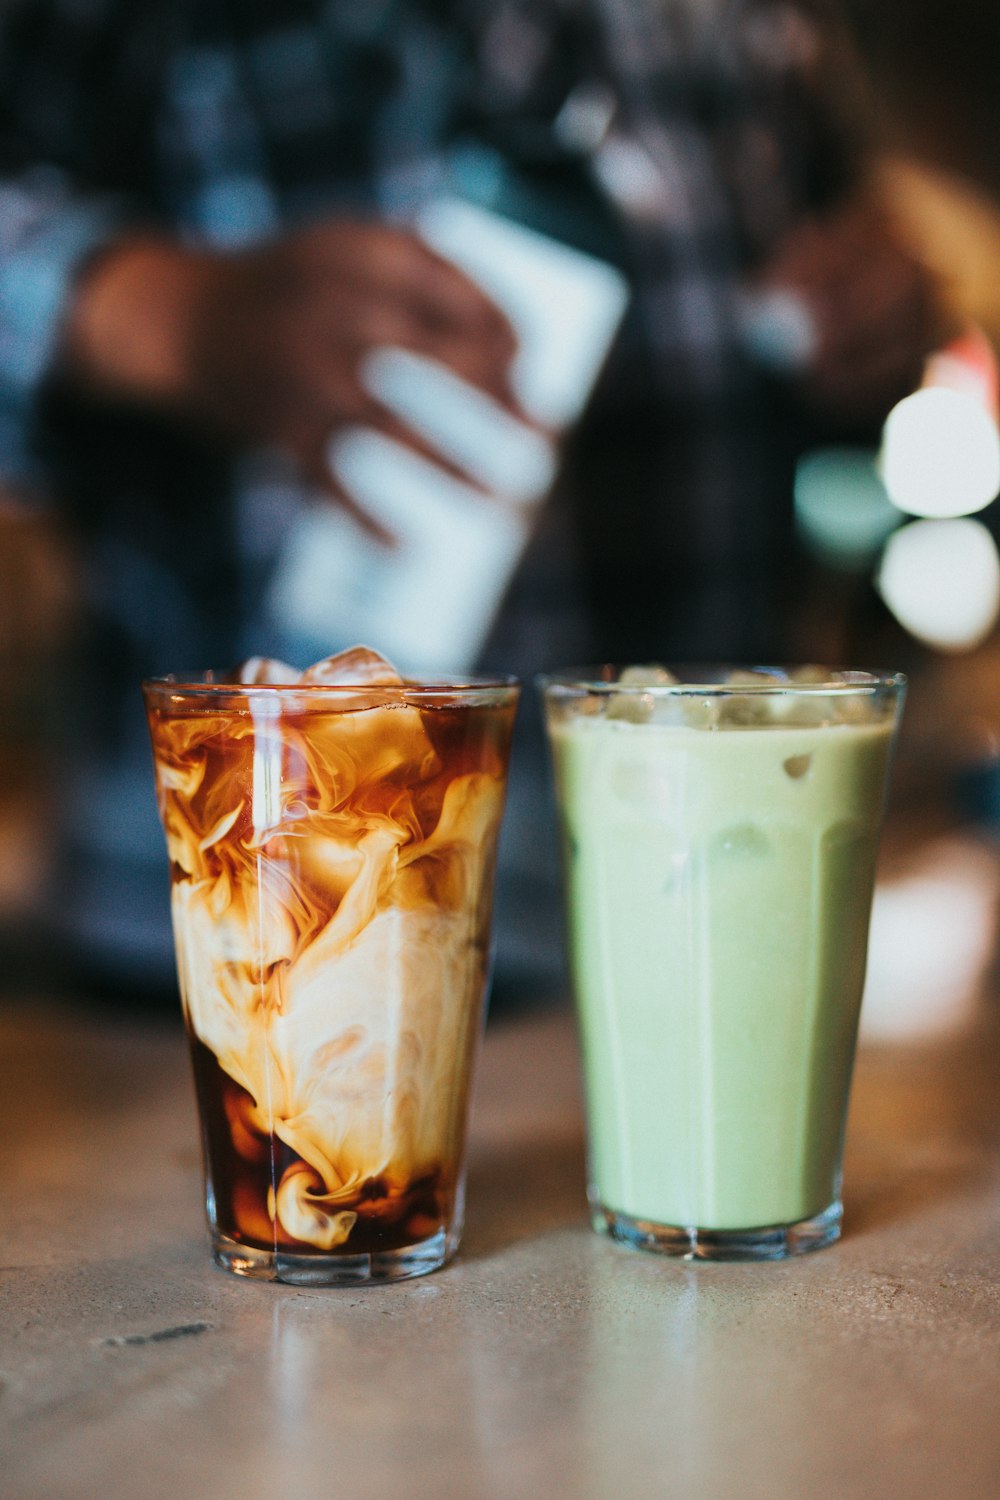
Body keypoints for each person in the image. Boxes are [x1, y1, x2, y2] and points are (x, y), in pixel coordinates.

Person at [0, 0, 945, 1004]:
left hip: (696, 886)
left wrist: (877, 315)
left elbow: (834, 222)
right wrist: (164, 313)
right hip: (252, 911)